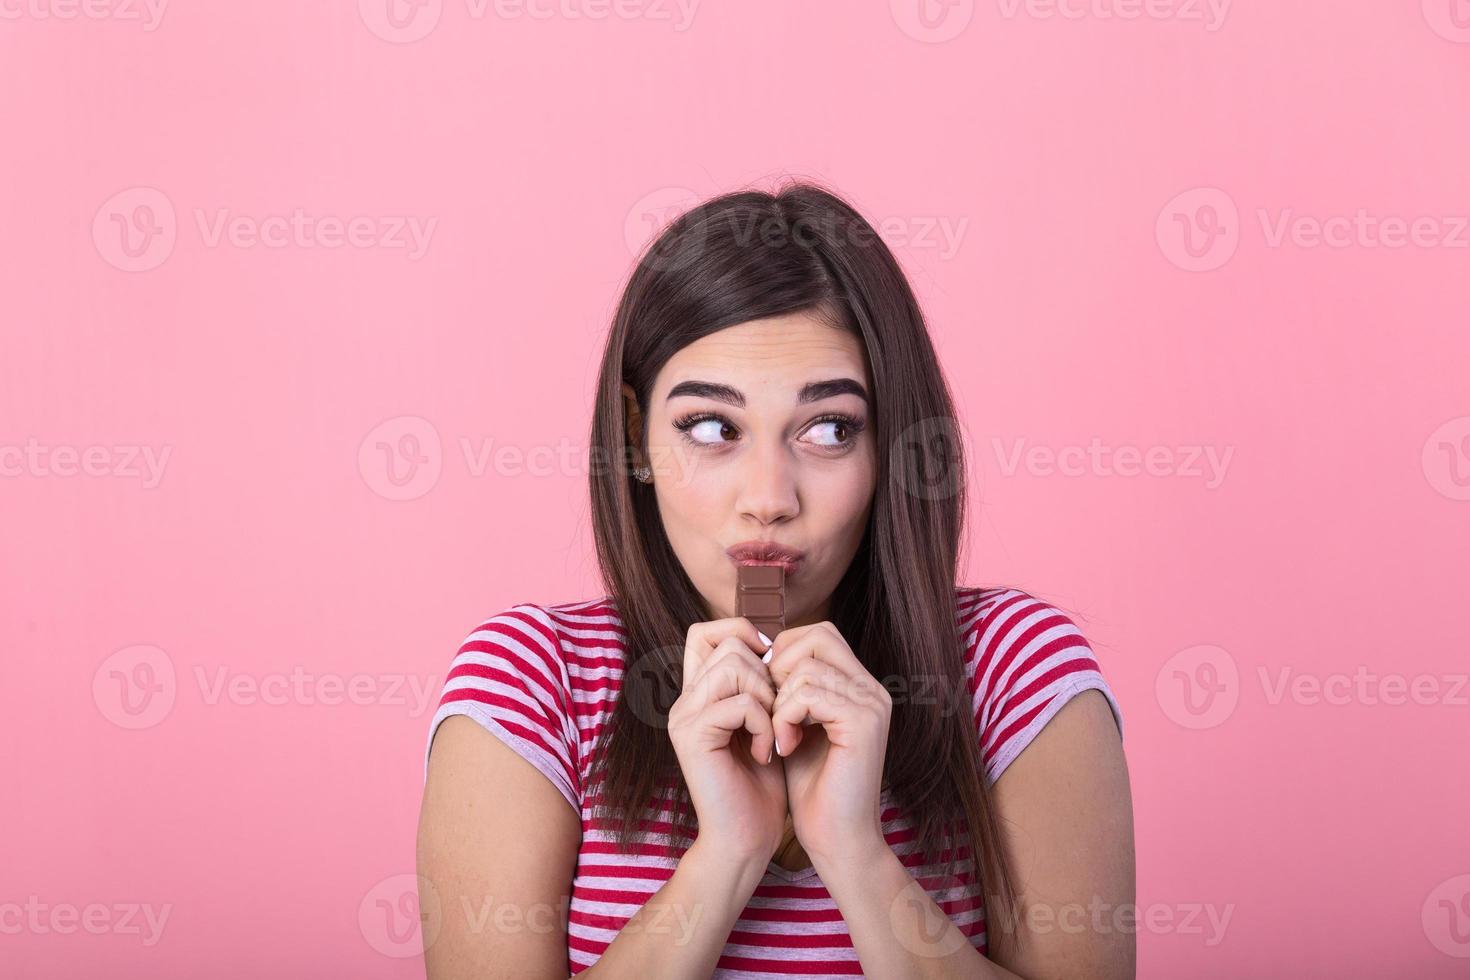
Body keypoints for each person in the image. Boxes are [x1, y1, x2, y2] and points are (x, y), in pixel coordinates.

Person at [416, 181, 1134, 978]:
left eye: (828, 429)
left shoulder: (1012, 669)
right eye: (712, 429)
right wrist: (725, 855)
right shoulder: (532, 681)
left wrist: (855, 853)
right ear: (634, 438)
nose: (768, 499)